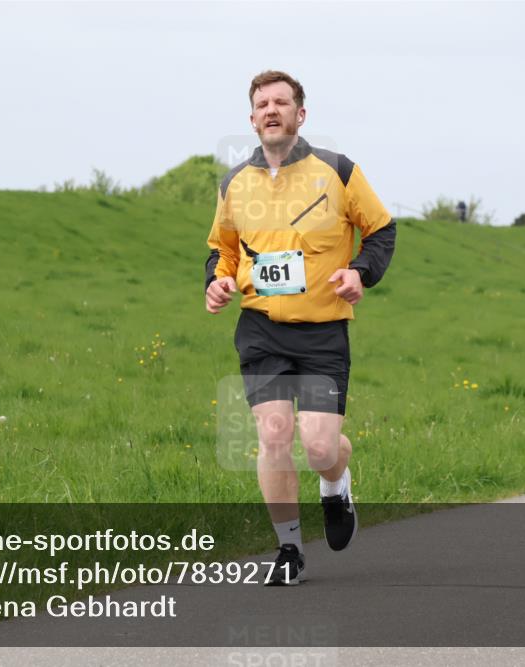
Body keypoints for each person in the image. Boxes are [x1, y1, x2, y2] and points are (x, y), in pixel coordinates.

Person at [205, 70, 396, 585]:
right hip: (260, 327)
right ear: (252, 119)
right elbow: (222, 249)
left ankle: (336, 483)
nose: (272, 110)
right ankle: (288, 549)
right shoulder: (234, 184)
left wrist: (359, 272)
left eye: (282, 102)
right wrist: (218, 283)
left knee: (319, 447)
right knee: (273, 434)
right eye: (262, 104)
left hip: (322, 330)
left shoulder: (337, 170)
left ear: (300, 114)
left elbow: (381, 231)